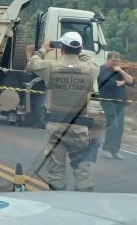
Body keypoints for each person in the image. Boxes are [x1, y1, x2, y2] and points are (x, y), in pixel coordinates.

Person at [27, 31, 99, 191]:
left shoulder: (51, 67)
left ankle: (58, 206)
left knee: (56, 174)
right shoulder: (91, 69)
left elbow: (31, 64)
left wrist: (43, 50)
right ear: (80, 49)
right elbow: (89, 60)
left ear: (62, 48)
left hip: (56, 127)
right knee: (83, 173)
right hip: (80, 128)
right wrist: (81, 52)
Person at [98, 51, 134, 160]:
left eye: (117, 60)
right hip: (108, 101)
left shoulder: (119, 70)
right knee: (113, 125)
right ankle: (106, 148)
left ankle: (115, 151)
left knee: (120, 127)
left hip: (120, 102)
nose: (116, 62)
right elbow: (109, 84)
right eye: (113, 60)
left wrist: (121, 71)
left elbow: (131, 82)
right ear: (107, 60)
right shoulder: (102, 69)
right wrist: (122, 82)